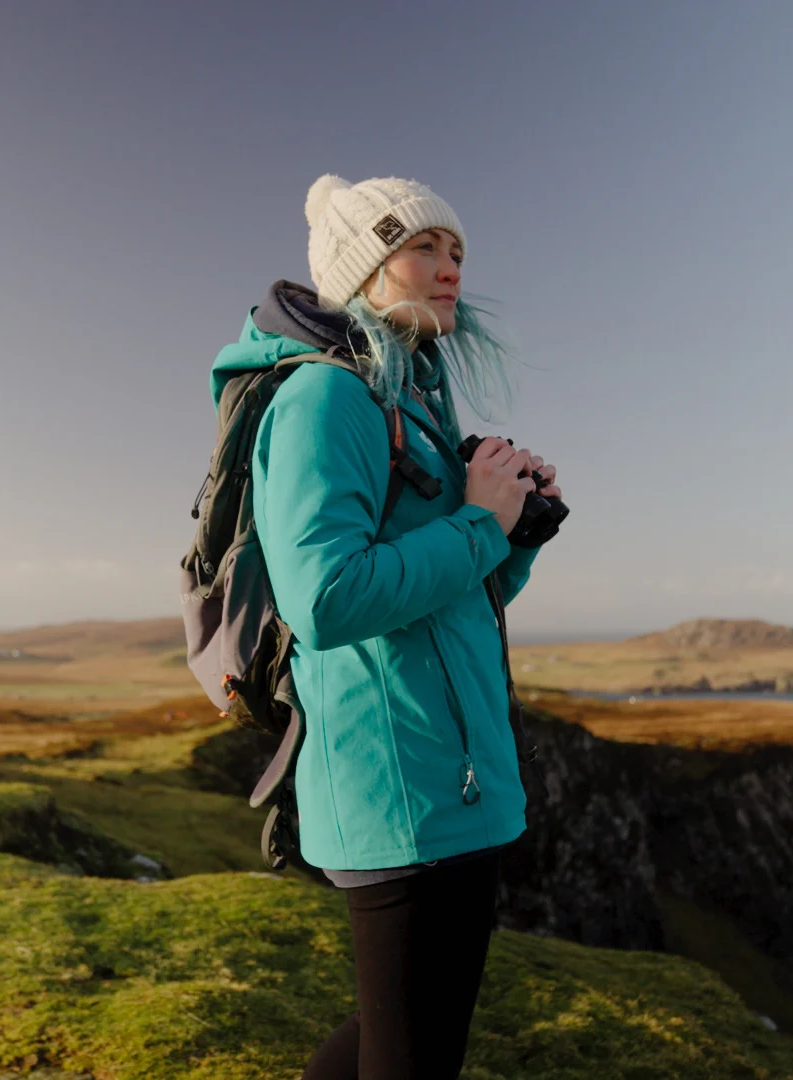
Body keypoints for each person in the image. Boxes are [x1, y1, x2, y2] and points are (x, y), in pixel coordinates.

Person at [208, 174, 562, 1079]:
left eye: (456, 253)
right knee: (412, 1055)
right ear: (364, 271)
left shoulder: (412, 402)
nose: (450, 270)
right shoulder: (325, 402)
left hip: (452, 782)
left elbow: (445, 608)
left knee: (400, 1041)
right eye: (424, 249)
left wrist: (515, 534)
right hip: (395, 788)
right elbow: (323, 600)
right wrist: (479, 522)